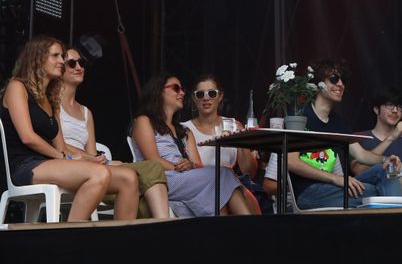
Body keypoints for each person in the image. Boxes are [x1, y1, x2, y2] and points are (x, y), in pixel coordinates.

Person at [0, 35, 138, 221]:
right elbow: (28, 137)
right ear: (38, 58)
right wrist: (66, 158)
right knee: (99, 174)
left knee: (128, 178)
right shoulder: (17, 87)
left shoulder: (51, 98)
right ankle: (70, 239)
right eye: (55, 56)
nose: (61, 61)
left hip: (51, 163)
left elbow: (61, 146)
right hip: (25, 165)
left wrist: (88, 159)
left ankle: (120, 244)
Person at [264, 58, 402, 210]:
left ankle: (394, 220)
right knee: (375, 192)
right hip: (307, 192)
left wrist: (386, 159)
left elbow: (362, 155)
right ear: (318, 85)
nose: (340, 84)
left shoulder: (338, 122)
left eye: (343, 80)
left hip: (332, 187)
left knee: (385, 169)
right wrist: (338, 179)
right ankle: (398, 223)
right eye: (334, 79)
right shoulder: (299, 114)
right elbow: (291, 162)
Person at [60, 47, 170, 218]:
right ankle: (162, 225)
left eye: (81, 63)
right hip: (66, 165)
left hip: (90, 166)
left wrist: (104, 161)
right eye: (72, 63)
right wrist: (102, 161)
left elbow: (91, 153)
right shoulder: (52, 105)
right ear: (60, 68)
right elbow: (57, 144)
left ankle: (148, 232)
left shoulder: (86, 112)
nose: (79, 67)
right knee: (151, 168)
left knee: (141, 186)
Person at [131, 73, 257, 216]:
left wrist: (191, 165)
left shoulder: (184, 131)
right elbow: (152, 161)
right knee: (223, 175)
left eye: (182, 89)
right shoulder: (144, 121)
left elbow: (198, 165)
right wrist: (178, 167)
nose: (182, 93)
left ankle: (229, 233)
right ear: (159, 92)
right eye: (176, 88)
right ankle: (250, 229)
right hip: (160, 179)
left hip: (184, 180)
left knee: (218, 187)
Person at [180, 74, 272, 214]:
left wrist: (240, 139)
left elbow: (249, 172)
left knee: (246, 196)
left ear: (220, 96)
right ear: (194, 98)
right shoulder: (183, 129)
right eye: (200, 94)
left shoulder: (232, 125)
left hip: (231, 185)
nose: (206, 98)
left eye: (212, 93)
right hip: (201, 187)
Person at [351, 87, 402, 197]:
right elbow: (358, 170)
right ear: (376, 109)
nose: (395, 110)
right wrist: (392, 136)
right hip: (370, 191)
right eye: (389, 105)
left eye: (399, 107)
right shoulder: (360, 137)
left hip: (400, 194)